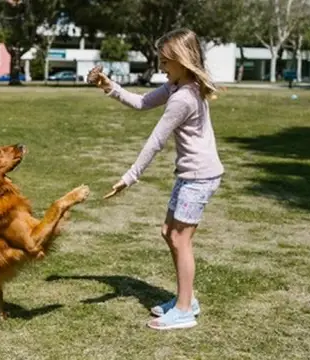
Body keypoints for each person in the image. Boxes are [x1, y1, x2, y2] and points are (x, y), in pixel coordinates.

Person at [87, 28, 224, 330]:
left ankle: (185, 310)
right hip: (190, 175)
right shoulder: (177, 86)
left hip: (199, 177)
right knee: (168, 232)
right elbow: (141, 102)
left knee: (180, 238)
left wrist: (129, 177)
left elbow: (156, 141)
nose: (161, 68)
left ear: (182, 60)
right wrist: (107, 85)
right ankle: (186, 298)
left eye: (165, 62)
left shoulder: (183, 97)